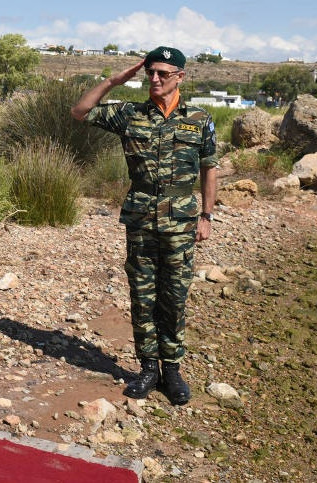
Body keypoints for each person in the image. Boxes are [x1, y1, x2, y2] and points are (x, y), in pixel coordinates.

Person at [71, 46, 217, 406]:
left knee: (175, 296)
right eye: (151, 72)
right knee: (143, 294)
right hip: (141, 218)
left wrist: (207, 216)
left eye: (163, 74)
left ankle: (173, 369)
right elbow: (79, 112)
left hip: (181, 220)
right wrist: (112, 81)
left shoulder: (199, 118)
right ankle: (148, 367)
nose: (154, 79)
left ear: (180, 77)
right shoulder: (130, 114)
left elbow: (209, 168)